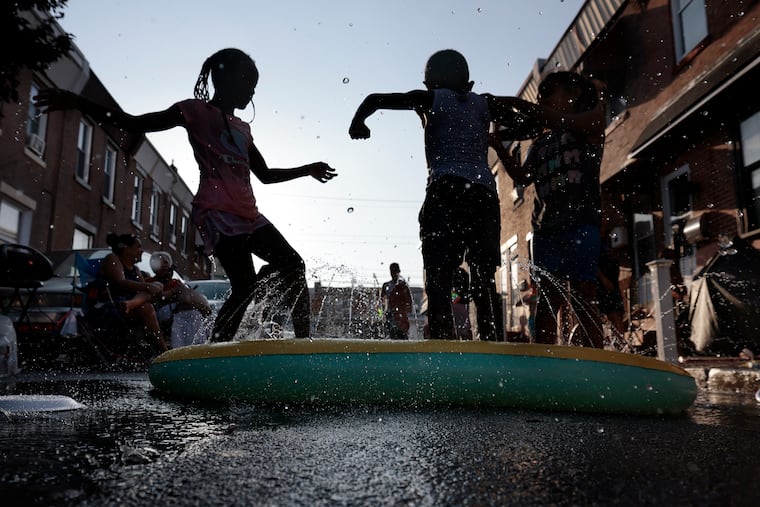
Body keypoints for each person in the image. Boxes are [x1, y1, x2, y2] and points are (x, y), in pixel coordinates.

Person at [36, 48, 337, 342]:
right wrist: (78, 102)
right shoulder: (193, 111)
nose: (252, 93)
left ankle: (303, 344)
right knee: (244, 287)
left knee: (293, 265)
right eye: (249, 83)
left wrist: (306, 169)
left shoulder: (243, 129)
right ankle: (215, 353)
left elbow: (266, 175)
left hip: (250, 215)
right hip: (217, 213)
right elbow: (134, 122)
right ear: (227, 79)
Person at [350, 49, 520, 341]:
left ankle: (443, 352)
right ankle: (492, 349)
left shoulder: (430, 99)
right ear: (469, 84)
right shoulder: (485, 103)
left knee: (439, 278)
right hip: (482, 195)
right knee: (483, 279)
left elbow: (375, 100)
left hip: (446, 190)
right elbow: (522, 121)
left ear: (429, 83)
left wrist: (358, 122)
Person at [490, 71, 606, 348]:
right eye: (539, 99)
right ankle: (543, 360)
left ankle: (595, 359)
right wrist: (499, 147)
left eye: (547, 96)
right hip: (545, 228)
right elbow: (522, 177)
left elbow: (557, 119)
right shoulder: (540, 144)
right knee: (547, 299)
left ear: (574, 95)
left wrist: (514, 103)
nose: (542, 103)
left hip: (581, 223)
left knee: (583, 294)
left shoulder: (589, 126)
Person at [89, 233, 169, 353]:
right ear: (126, 248)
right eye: (138, 247)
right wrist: (148, 286)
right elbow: (120, 282)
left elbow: (147, 291)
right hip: (111, 306)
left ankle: (131, 304)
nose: (141, 251)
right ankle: (163, 351)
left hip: (130, 306)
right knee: (147, 305)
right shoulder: (113, 259)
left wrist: (152, 287)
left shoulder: (136, 269)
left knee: (157, 288)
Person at [379, 263, 413, 339]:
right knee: (392, 334)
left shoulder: (403, 286)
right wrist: (381, 315)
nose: (393, 273)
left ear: (398, 272)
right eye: (392, 271)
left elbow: (409, 303)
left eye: (395, 271)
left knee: (400, 335)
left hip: (400, 316)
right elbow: (381, 303)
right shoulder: (386, 285)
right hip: (391, 315)